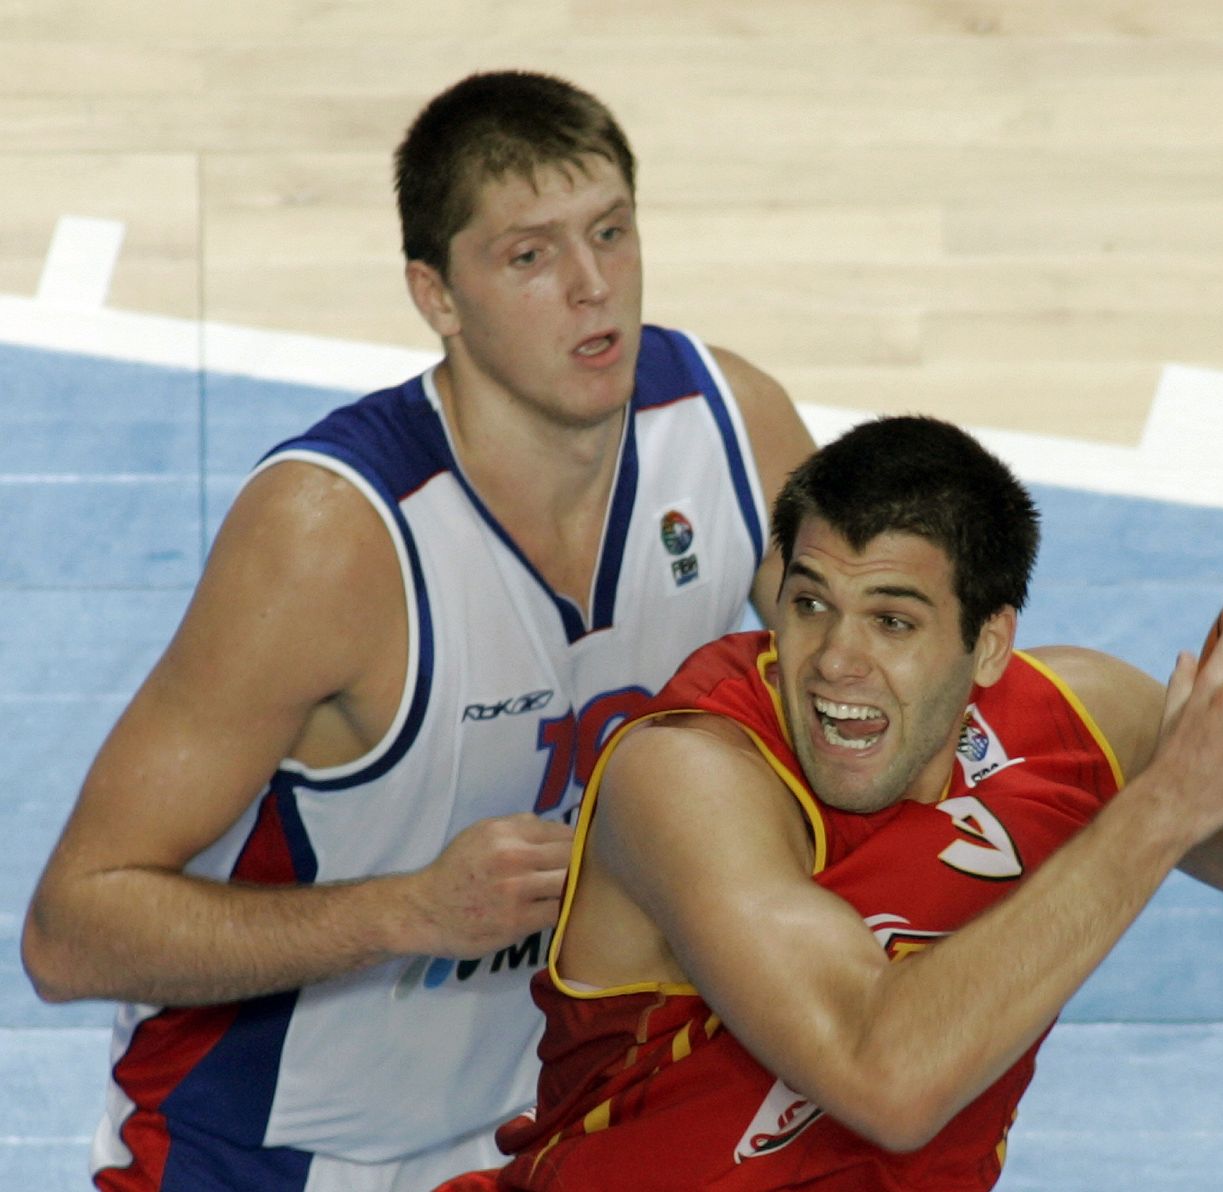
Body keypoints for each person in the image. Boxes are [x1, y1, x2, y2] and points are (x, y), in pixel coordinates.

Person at [20, 70, 815, 1191]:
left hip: (550, 1128)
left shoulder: (730, 429)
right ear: (436, 296)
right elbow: (71, 932)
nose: (592, 287)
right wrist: (407, 909)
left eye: (611, 232)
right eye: (529, 256)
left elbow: (888, 700)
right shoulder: (329, 538)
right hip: (262, 1148)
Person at [437, 415, 1223, 1191]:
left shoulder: (1085, 727)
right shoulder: (685, 776)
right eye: (809, 602)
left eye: (891, 619)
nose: (833, 659)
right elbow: (884, 1078)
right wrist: (1164, 804)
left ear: (988, 644)